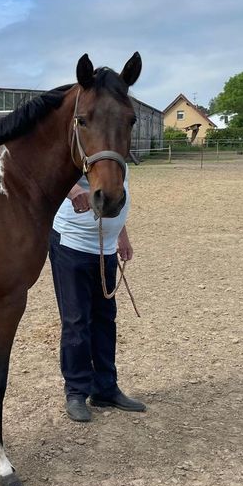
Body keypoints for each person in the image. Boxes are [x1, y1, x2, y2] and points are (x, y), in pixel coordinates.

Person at [49, 172, 146, 422]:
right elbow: (47, 171)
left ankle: (105, 388)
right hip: (72, 243)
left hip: (106, 246)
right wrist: (72, 191)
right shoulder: (79, 140)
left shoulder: (115, 151)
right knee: (76, 321)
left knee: (105, 319)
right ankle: (76, 392)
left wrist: (122, 236)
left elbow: (114, 194)